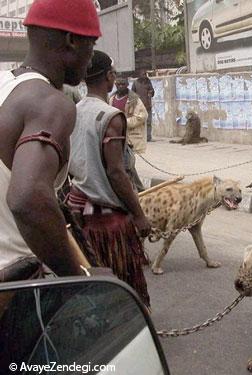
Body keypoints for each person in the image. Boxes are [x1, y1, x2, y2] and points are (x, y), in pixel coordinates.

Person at [0, 0, 101, 282]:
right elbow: (27, 198)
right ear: (71, 41)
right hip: (14, 289)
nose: (91, 58)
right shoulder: (50, 103)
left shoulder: (4, 86)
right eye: (91, 45)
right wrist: (78, 278)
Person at [67, 51, 152, 307]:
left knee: (92, 280)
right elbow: (116, 172)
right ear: (109, 77)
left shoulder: (74, 110)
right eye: (114, 73)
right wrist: (138, 214)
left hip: (78, 209)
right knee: (120, 281)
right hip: (107, 220)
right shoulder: (110, 116)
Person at [110, 74, 147, 192]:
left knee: (128, 164)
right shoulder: (111, 99)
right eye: (118, 84)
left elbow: (142, 116)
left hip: (129, 137)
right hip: (115, 137)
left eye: (123, 84)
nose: (120, 86)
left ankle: (139, 190)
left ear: (127, 85)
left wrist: (124, 122)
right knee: (123, 166)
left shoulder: (134, 99)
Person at [132, 70, 155, 142]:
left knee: (148, 122)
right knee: (139, 122)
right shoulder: (135, 83)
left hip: (148, 105)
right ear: (139, 75)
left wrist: (151, 92)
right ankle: (140, 137)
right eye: (143, 74)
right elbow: (132, 94)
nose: (144, 76)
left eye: (145, 74)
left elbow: (152, 91)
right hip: (139, 106)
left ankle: (148, 137)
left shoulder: (148, 82)